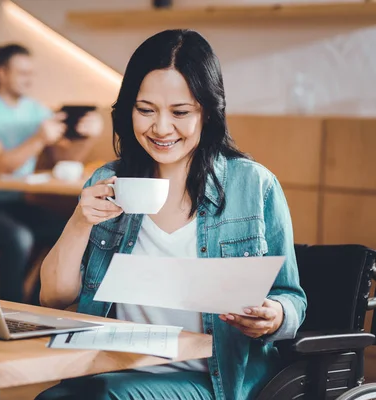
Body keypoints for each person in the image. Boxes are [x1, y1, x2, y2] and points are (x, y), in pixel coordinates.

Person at [37, 29, 307, 400]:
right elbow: (52, 297)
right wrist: (79, 222)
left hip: (214, 379)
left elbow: (291, 297)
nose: (161, 128)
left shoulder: (254, 185)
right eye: (145, 110)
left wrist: (273, 315)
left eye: (180, 112)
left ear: (208, 112)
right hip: (114, 370)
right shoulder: (110, 181)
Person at [0, 44, 103, 304]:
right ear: (2, 74)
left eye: (31, 73)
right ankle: (11, 310)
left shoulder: (36, 110)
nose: (28, 79)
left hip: (14, 203)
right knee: (19, 237)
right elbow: (0, 166)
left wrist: (89, 136)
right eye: (22, 73)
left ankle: (36, 307)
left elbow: (64, 160)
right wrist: (38, 138)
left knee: (63, 230)